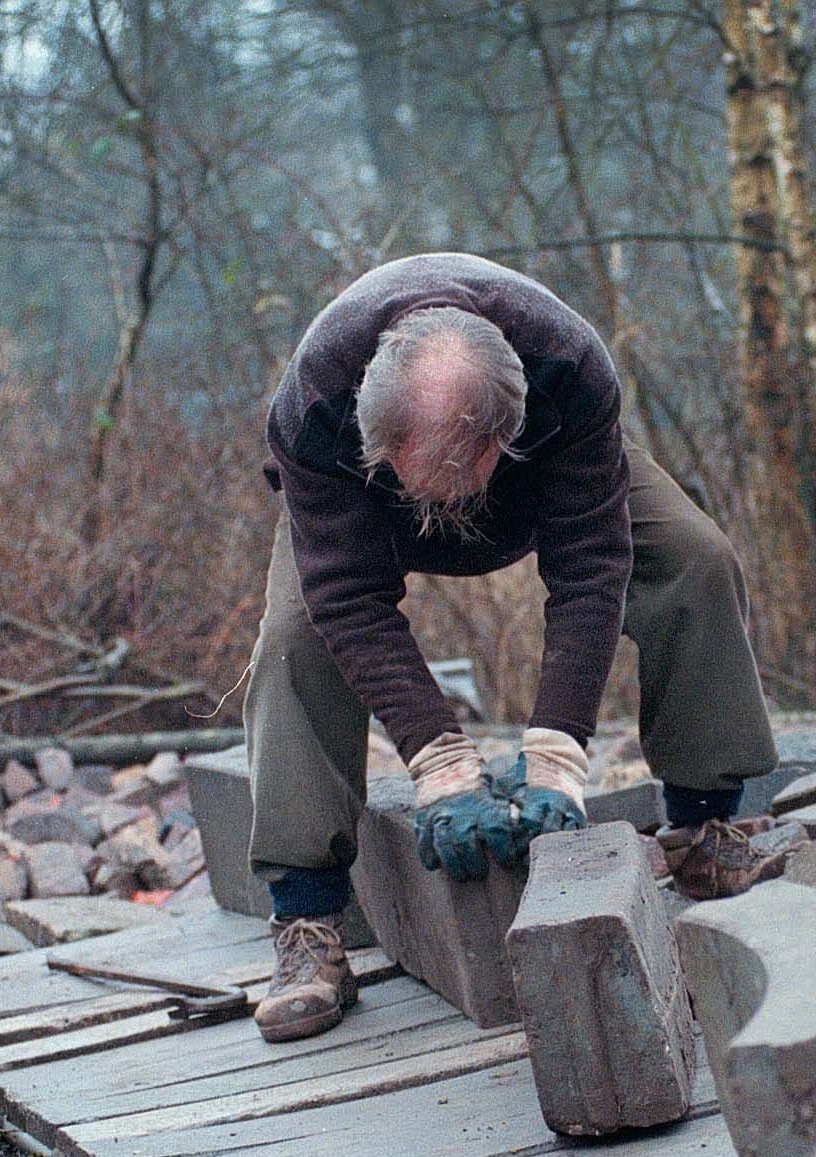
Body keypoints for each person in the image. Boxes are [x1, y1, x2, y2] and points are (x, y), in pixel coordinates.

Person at [244, 253, 782, 1041]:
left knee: (696, 561)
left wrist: (558, 757)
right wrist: (440, 764)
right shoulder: (314, 404)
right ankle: (305, 922)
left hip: (540, 477)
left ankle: (703, 827)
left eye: (452, 479)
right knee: (295, 639)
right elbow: (350, 601)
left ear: (507, 432)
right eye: (419, 476)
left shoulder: (571, 369)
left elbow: (592, 574)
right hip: (355, 503)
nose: (436, 504)